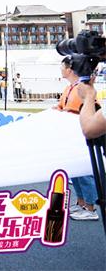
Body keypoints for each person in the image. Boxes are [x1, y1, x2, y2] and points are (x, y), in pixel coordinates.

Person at [55, 57, 98, 221]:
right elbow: (62, 106)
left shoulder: (82, 88)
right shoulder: (69, 88)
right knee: (75, 170)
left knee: (83, 171)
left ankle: (90, 207)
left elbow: (90, 108)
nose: (61, 69)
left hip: (81, 132)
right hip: (70, 134)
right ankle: (81, 203)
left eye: (62, 66)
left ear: (70, 69)